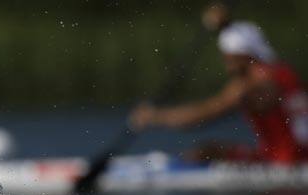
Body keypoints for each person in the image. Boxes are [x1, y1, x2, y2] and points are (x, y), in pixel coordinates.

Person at [130, 2, 308, 165]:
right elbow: (241, 38)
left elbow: (203, 114)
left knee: (202, 153)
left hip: (285, 164)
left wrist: (154, 117)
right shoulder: (284, 72)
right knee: (212, 149)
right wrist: (224, 24)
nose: (227, 66)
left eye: (229, 59)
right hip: (299, 156)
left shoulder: (249, 84)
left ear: (244, 56)